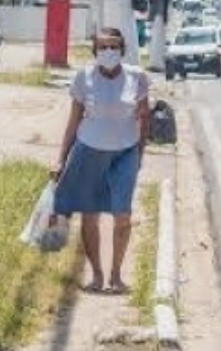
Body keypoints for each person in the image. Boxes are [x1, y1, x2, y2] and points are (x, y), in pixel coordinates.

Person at [52, 26, 150, 294]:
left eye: (114, 46)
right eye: (103, 47)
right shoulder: (84, 78)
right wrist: (61, 158)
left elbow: (144, 117)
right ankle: (96, 275)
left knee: (123, 215)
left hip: (125, 153)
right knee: (90, 216)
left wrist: (139, 154)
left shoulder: (137, 77)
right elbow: (74, 120)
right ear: (95, 51)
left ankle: (116, 275)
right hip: (89, 151)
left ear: (122, 49)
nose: (109, 51)